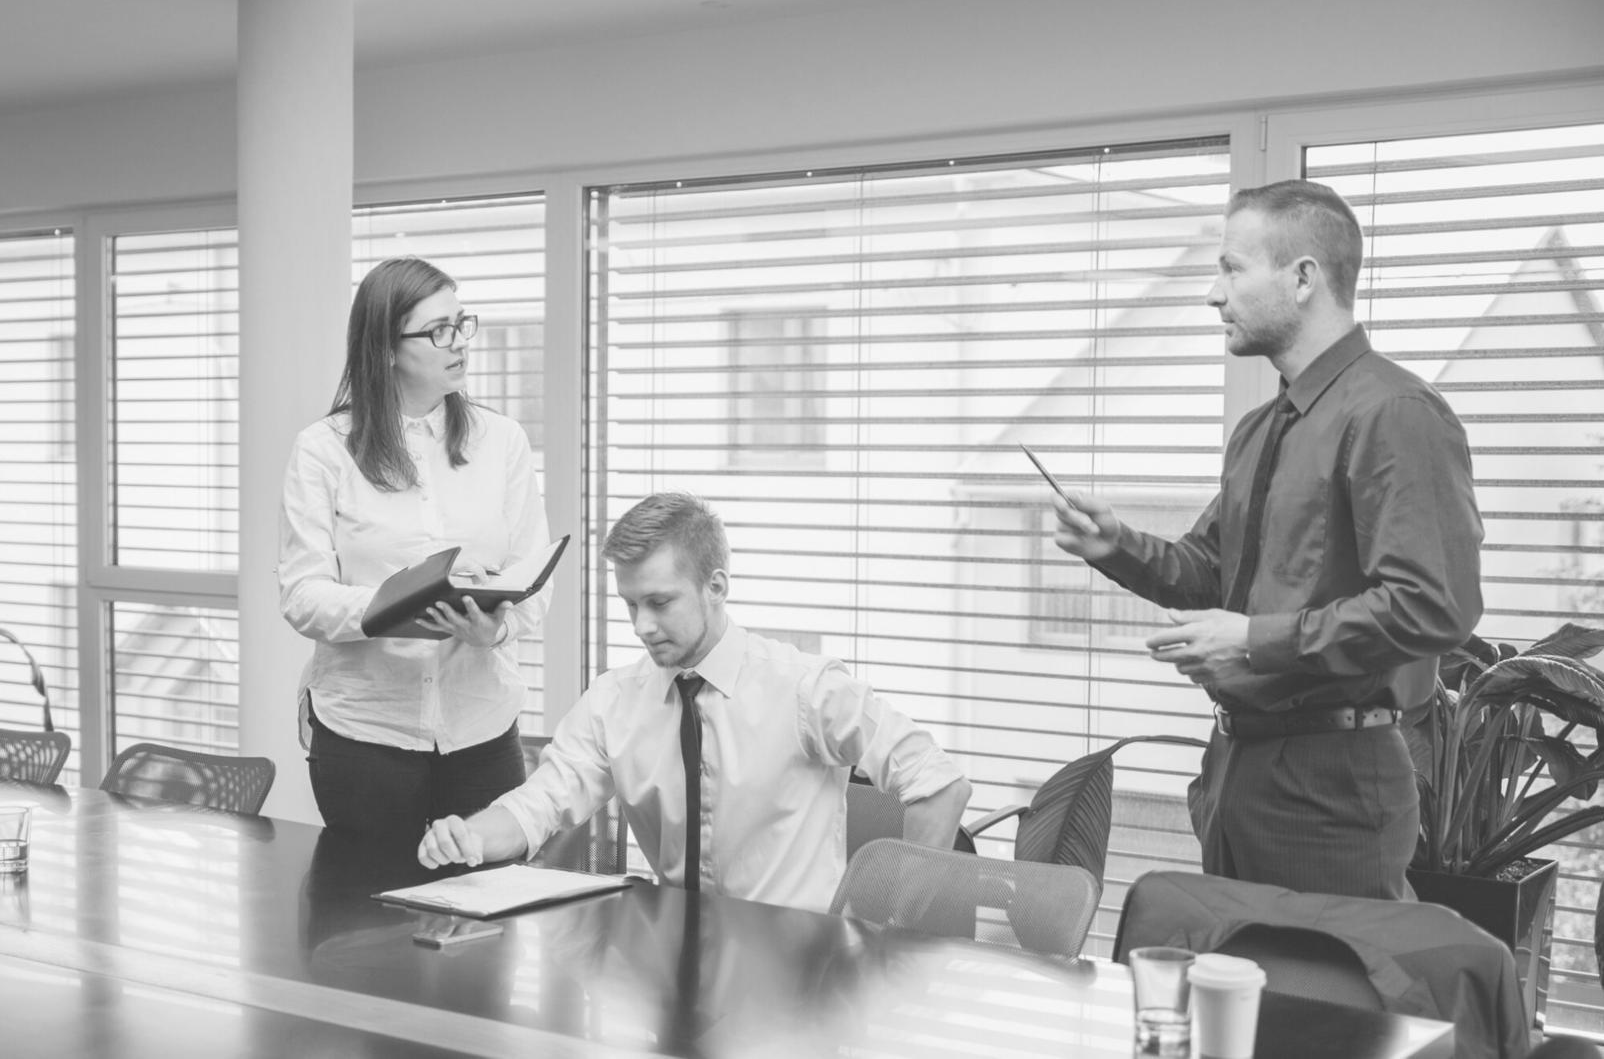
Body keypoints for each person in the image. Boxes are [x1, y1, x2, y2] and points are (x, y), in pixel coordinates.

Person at [1051, 180, 1483, 900]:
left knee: (1319, 1005)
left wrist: (1254, 639)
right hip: (1238, 768)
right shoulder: (1261, 429)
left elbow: (1432, 606)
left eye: (1231, 268)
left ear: (1303, 276)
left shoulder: (1395, 413)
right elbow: (1211, 570)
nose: (1213, 294)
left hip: (1332, 784)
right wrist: (1115, 544)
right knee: (1239, 998)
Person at [418, 492, 971, 912]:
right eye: (631, 604)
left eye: (660, 602)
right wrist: (471, 836)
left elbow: (940, 785)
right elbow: (538, 804)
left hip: (797, 971)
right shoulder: (615, 701)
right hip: (674, 962)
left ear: (717, 586)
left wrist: (894, 928)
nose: (642, 626)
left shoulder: (805, 689)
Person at [279, 256, 550, 849]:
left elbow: (534, 577)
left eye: (462, 324)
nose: (459, 344)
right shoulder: (324, 450)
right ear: (384, 349)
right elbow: (301, 596)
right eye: (438, 331)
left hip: (482, 729)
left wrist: (493, 631)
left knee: (488, 921)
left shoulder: (501, 442)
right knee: (365, 925)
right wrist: (395, 605)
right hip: (365, 735)